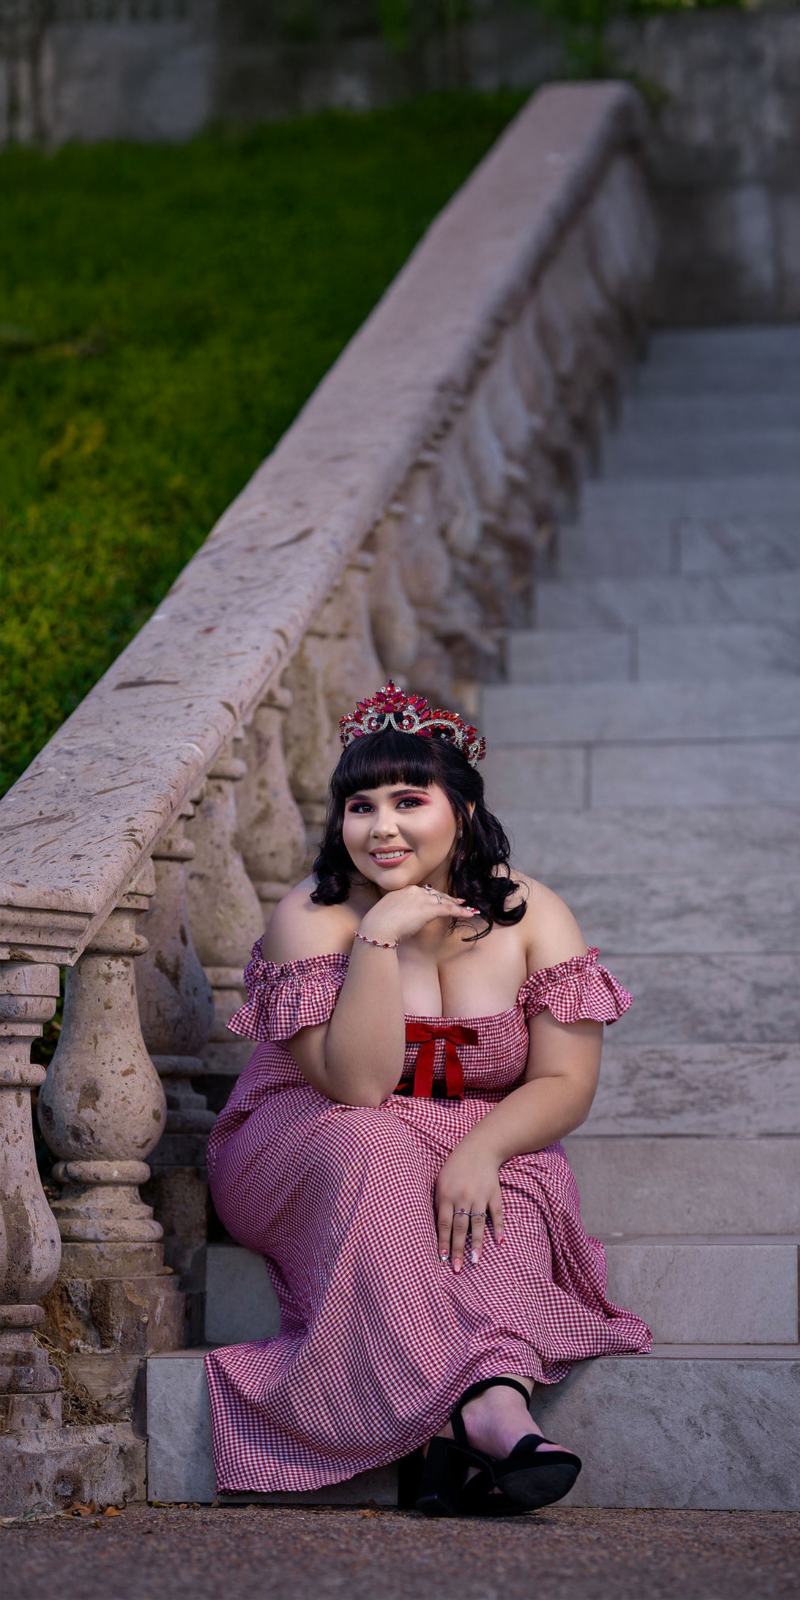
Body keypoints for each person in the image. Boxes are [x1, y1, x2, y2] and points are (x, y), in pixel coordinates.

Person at [205, 681, 651, 1515]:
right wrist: (379, 937)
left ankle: (489, 1408)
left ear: (465, 810)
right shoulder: (314, 913)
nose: (381, 828)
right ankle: (477, 1409)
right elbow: (359, 1086)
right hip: (307, 1135)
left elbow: (564, 1082)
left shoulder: (534, 914)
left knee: (522, 1181)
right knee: (376, 1146)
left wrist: (481, 1149)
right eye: (361, 806)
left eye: (409, 801)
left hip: (471, 1128)